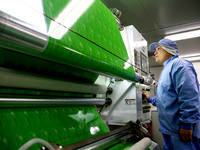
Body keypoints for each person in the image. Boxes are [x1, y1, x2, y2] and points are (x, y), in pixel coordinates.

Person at [143, 38, 200, 150]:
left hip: (181, 131)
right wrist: (150, 99)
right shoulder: (166, 70)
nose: (154, 53)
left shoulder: (180, 65)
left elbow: (189, 95)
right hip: (169, 130)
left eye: (158, 49)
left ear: (169, 50)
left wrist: (187, 124)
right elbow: (164, 99)